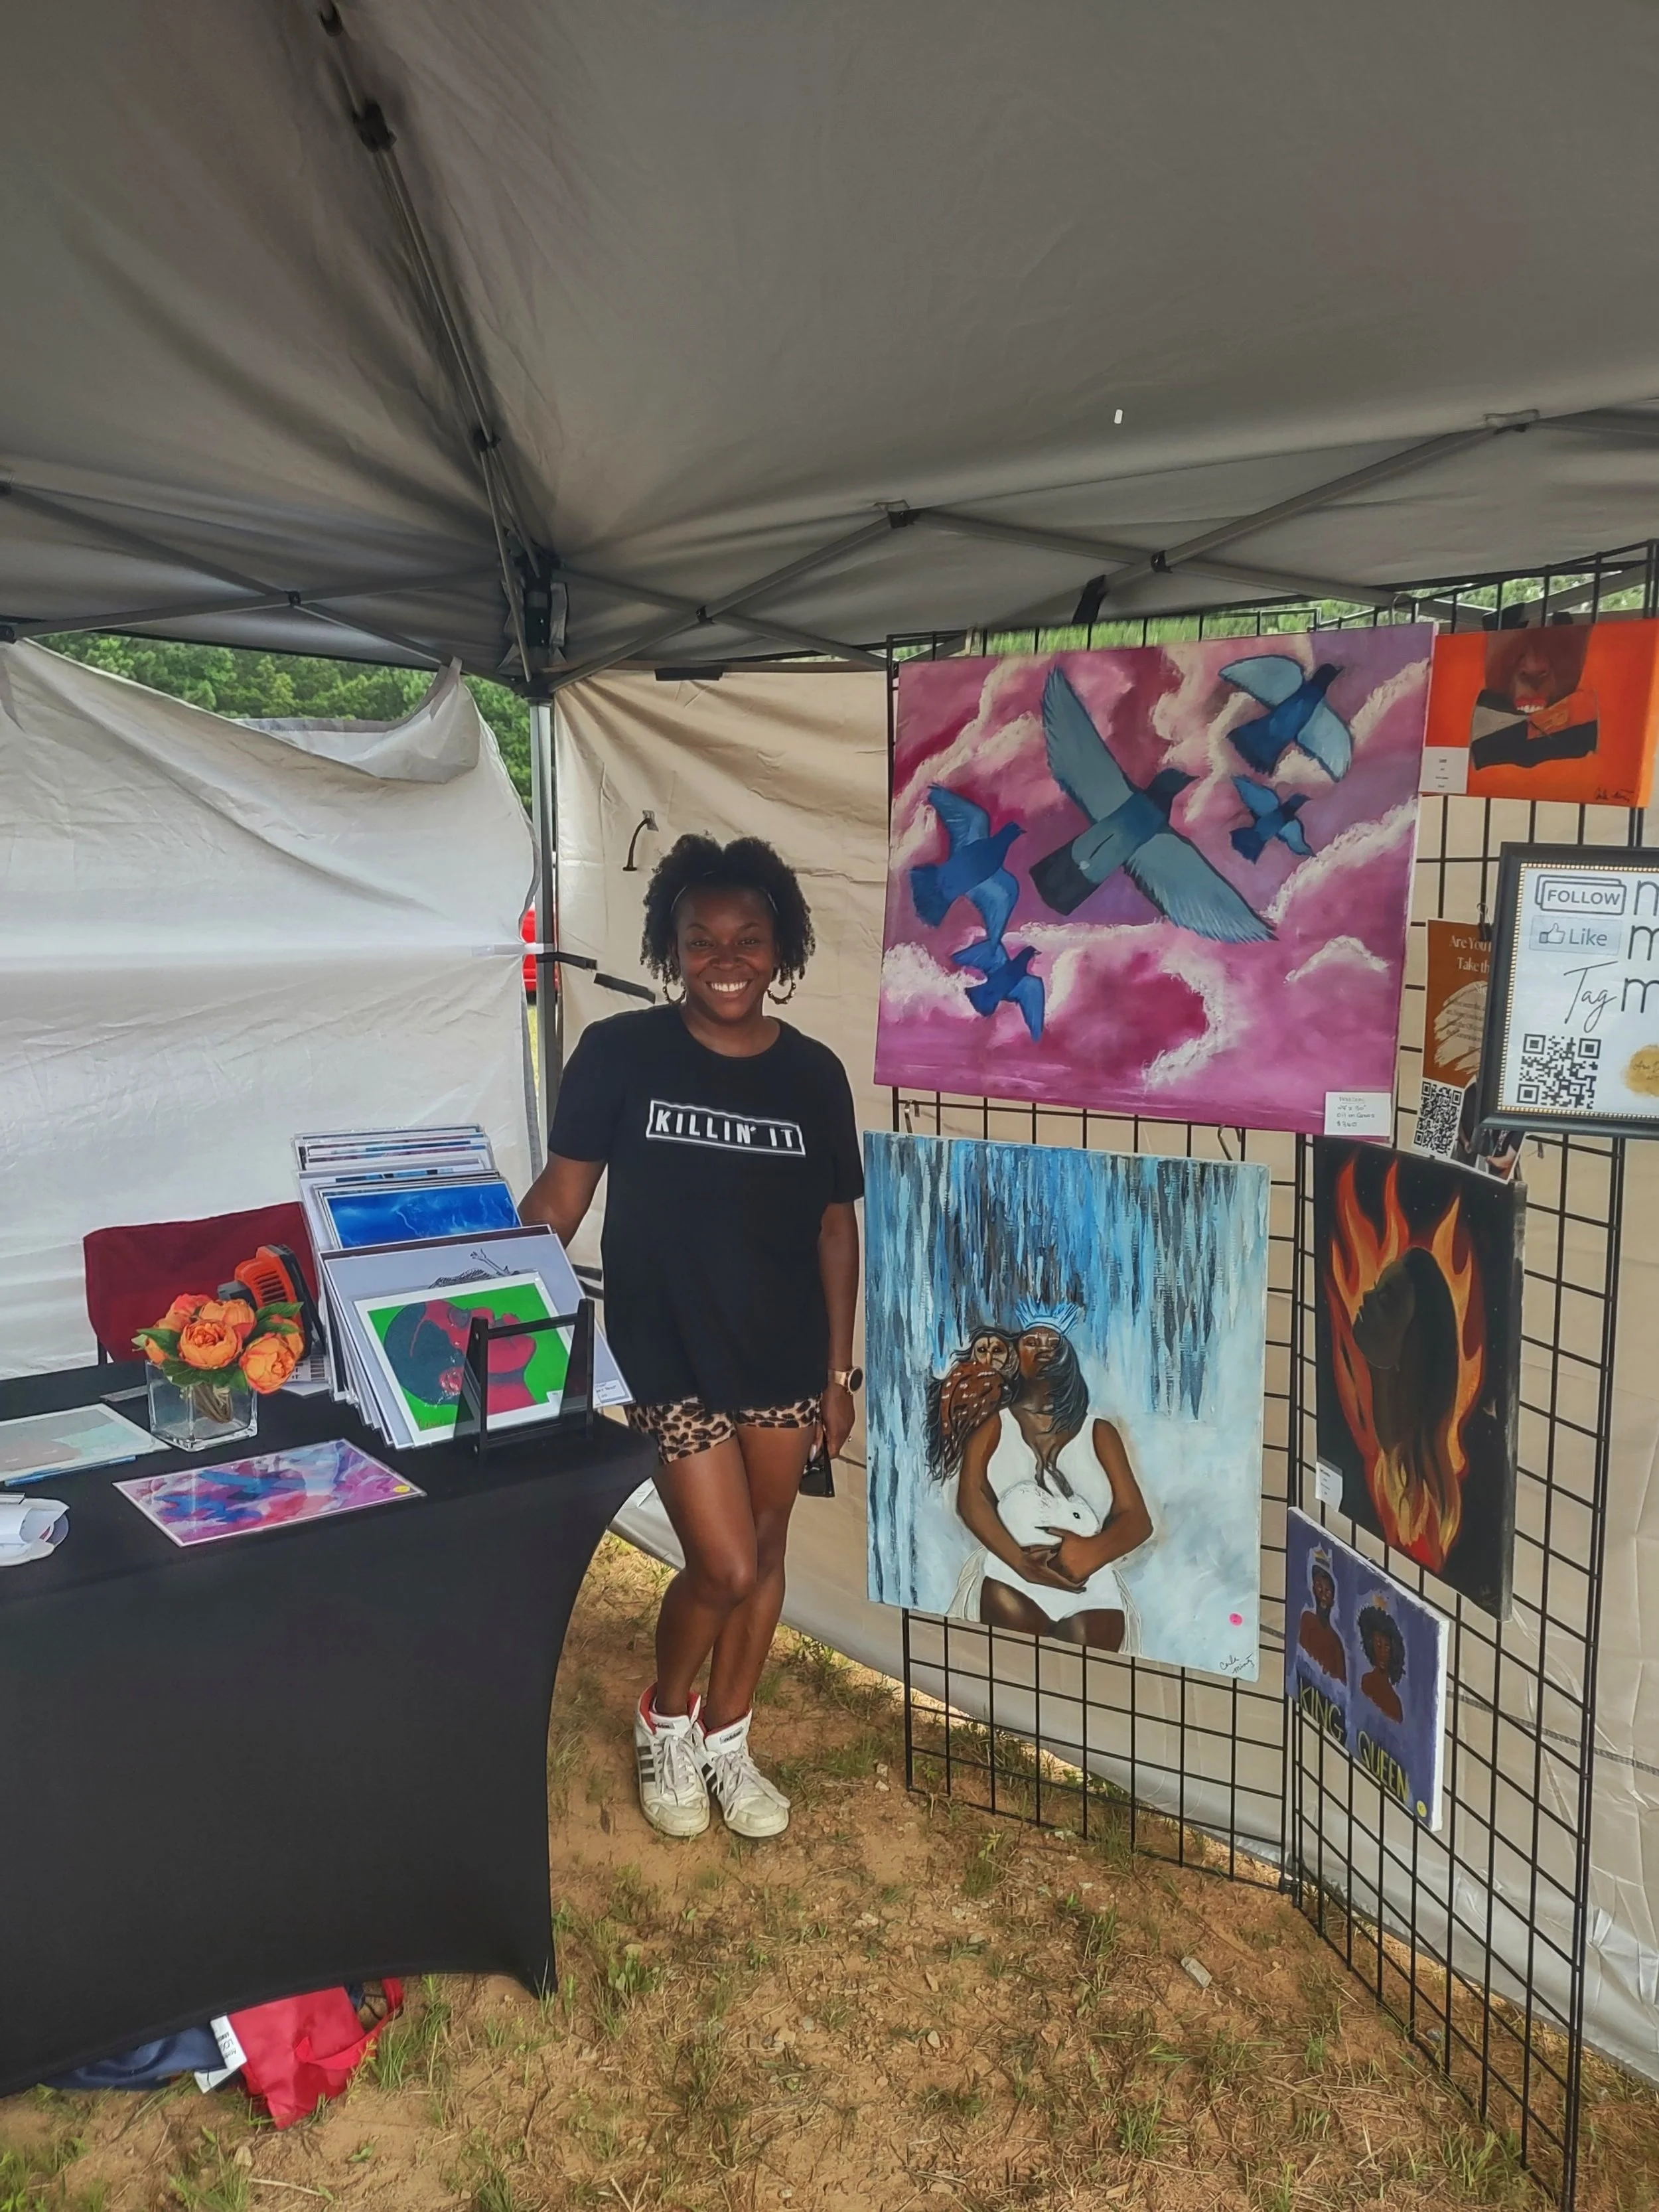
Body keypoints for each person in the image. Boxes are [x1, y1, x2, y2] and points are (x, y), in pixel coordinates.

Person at [521, 834, 861, 1843]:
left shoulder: (813, 1076)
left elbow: (835, 1226)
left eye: (749, 939)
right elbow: (562, 1197)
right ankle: (667, 1713)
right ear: (670, 946)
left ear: (780, 950)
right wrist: (474, 1284)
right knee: (721, 1565)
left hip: (784, 1353)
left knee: (765, 1549)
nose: (727, 957)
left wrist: (839, 1372)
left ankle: (728, 1735)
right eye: (702, 938)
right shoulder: (622, 1054)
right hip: (668, 1351)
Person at [938, 1312, 1153, 1651]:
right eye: (1032, 1341)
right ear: (1014, 1356)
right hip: (1008, 1575)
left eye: (1054, 1343)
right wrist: (1021, 1563)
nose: (1044, 1349)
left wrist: (1090, 1554)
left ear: (1068, 1356)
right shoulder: (994, 1426)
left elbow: (1137, 1519)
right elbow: (971, 1499)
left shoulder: (1100, 1433)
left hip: (1091, 1587)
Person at [1296, 1549, 1347, 1684]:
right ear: (1314, 1590)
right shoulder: (1307, 1620)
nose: (1323, 1596)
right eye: (1319, 1588)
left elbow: (1339, 1685)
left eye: (1328, 1590)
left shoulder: (1335, 1642)